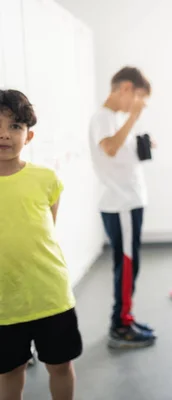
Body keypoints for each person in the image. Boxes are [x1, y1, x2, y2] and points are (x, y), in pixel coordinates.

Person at [0, 89, 83, 400]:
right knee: (10, 371)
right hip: (4, 302)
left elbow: (47, 229)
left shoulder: (46, 178)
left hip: (50, 295)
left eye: (15, 127)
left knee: (60, 366)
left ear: (29, 136)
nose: (4, 135)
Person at [89, 66, 156, 348]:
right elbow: (110, 148)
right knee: (127, 266)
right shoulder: (103, 117)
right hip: (121, 205)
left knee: (130, 265)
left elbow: (119, 151)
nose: (139, 105)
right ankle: (121, 325)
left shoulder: (114, 119)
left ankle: (125, 317)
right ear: (126, 88)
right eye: (139, 98)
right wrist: (134, 117)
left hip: (128, 203)